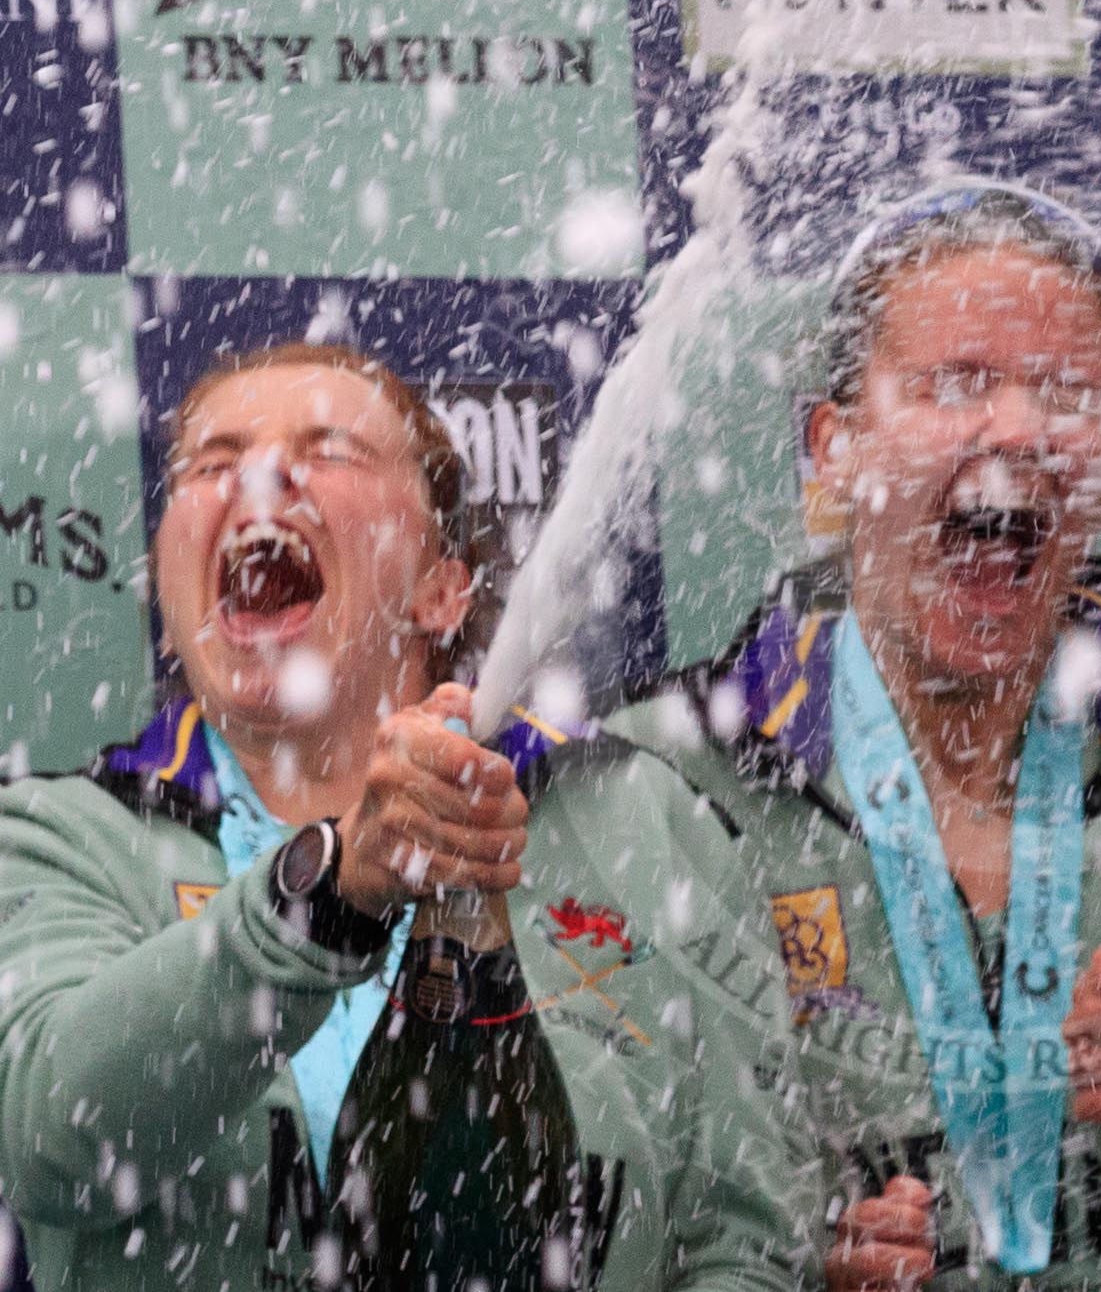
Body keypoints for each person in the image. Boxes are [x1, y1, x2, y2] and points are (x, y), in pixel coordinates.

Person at [520, 180, 1101, 1290]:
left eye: (1069, 391)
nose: (1020, 427)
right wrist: (786, 1266)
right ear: (833, 450)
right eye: (957, 383)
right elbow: (607, 1216)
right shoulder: (657, 783)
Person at [0, 342, 795, 1289]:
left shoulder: (636, 812)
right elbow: (51, 1140)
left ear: (441, 588)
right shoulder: (61, 832)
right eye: (213, 463)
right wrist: (328, 890)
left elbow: (748, 1237)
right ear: (169, 603)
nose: (261, 473)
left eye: (330, 450)